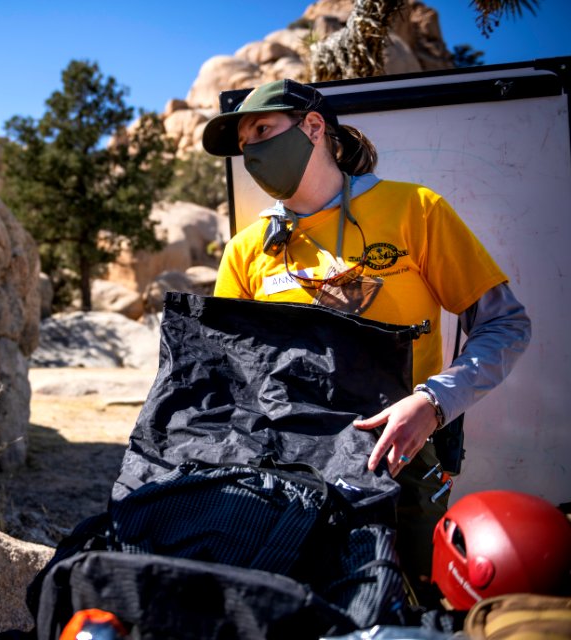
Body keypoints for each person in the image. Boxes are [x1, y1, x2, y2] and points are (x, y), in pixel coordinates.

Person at [201, 78, 531, 602]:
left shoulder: (415, 210)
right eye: (244, 146)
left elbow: (506, 325)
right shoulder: (247, 251)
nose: (253, 153)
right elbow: (226, 371)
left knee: (410, 608)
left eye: (262, 131)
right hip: (292, 477)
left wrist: (434, 403)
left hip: (401, 467)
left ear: (313, 127)